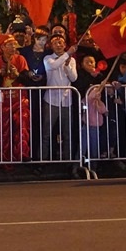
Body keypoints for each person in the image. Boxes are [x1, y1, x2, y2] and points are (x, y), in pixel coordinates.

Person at [42, 32, 78, 162]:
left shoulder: (71, 60)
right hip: (51, 100)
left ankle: (68, 160)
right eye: (55, 43)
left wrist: (68, 65)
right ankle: (43, 159)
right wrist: (67, 54)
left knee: (67, 133)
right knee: (46, 132)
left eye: (61, 42)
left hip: (66, 100)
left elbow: (74, 78)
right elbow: (53, 66)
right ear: (51, 46)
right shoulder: (48, 58)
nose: (59, 45)